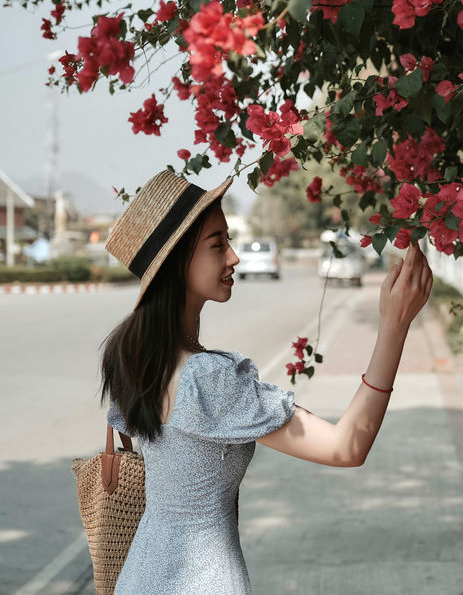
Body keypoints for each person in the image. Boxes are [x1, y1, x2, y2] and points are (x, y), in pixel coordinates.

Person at [102, 169, 432, 594]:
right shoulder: (208, 379)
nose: (234, 257)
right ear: (177, 263)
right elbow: (346, 446)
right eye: (218, 245)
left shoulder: (135, 356)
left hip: (141, 575)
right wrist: (395, 324)